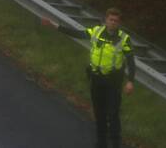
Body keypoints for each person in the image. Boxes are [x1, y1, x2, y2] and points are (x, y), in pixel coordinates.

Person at [42, 8, 135, 148]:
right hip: (96, 79)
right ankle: (101, 143)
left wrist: (130, 81)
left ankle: (116, 144)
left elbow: (131, 60)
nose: (113, 23)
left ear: (119, 23)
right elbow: (76, 33)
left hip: (113, 81)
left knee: (113, 114)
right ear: (106, 20)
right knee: (99, 113)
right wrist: (54, 25)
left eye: (116, 21)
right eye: (111, 19)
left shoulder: (124, 39)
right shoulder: (96, 31)